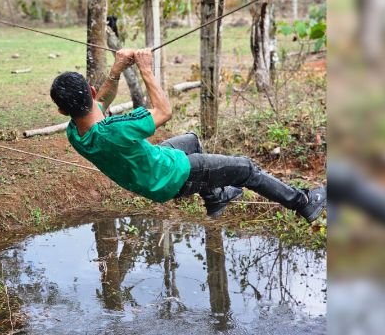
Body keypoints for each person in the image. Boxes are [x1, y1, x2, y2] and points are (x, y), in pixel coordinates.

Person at [49, 48, 326, 222]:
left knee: (191, 140)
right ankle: (304, 203)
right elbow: (163, 111)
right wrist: (145, 68)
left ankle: (215, 196)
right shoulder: (116, 130)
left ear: (63, 111)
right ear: (91, 91)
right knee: (245, 168)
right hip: (172, 176)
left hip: (150, 173)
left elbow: (101, 104)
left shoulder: (75, 132)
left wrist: (116, 70)